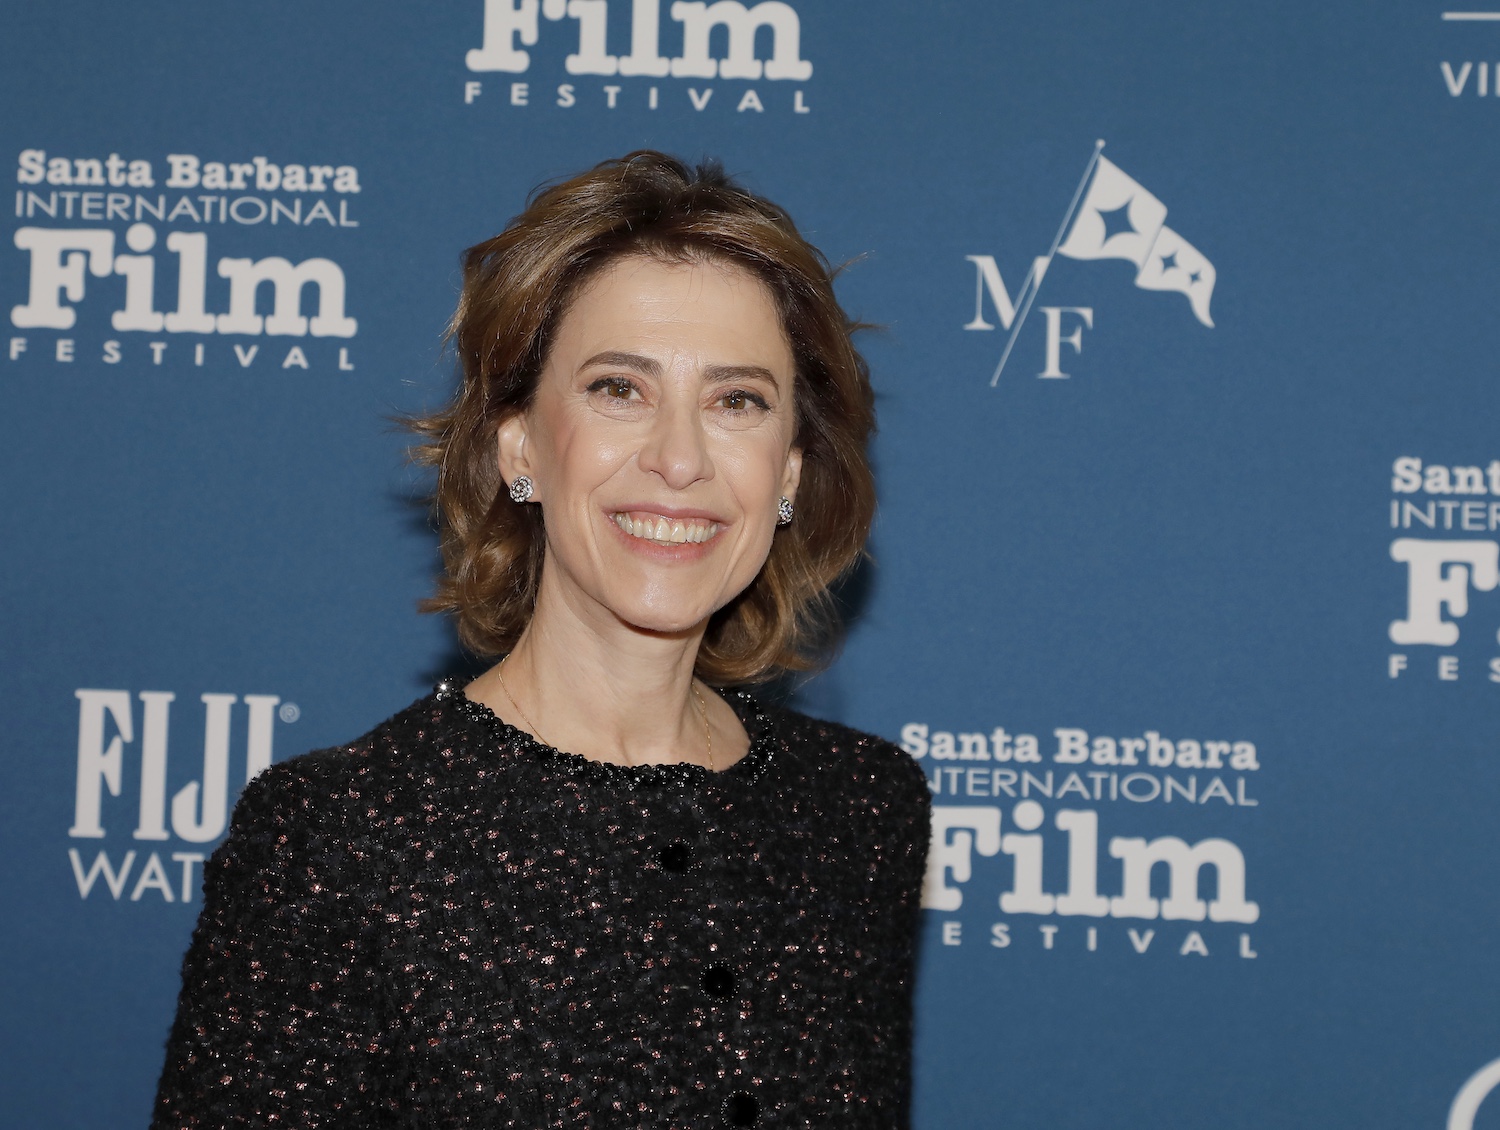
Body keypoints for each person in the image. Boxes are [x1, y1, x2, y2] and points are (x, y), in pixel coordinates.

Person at [150, 151, 931, 1129]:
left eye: (737, 400)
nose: (680, 458)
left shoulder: (864, 811)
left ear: (789, 471)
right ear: (517, 443)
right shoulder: (340, 840)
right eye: (619, 388)